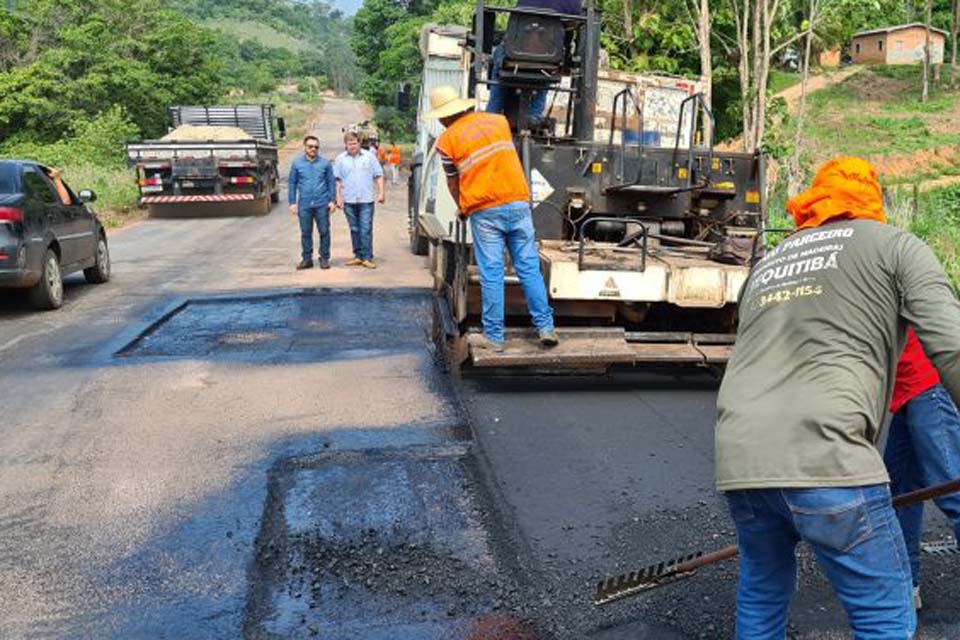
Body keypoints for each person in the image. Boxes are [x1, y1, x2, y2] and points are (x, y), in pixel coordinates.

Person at [715, 157, 960, 639]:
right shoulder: (896, 247)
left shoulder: (768, 265)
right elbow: (950, 344)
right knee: (883, 615)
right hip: (828, 456)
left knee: (762, 594)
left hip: (740, 459)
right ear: (873, 201)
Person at [425, 85, 559, 351]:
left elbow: (454, 183)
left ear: (443, 117)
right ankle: (545, 327)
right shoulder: (498, 122)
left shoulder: (447, 141)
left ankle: (495, 337)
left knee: (492, 274)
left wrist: (462, 207)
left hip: (485, 210)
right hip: (518, 203)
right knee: (529, 268)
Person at [884, 328, 960, 610]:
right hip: (905, 396)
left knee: (951, 489)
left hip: (927, 389)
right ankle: (907, 588)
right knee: (901, 497)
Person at [486, 0, 583, 118]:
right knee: (546, 74)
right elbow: (572, 27)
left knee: (498, 57)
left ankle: (492, 113)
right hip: (547, 58)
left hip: (514, 54)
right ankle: (534, 117)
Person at [334, 131, 384, 269]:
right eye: (349, 144)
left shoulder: (369, 157)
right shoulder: (340, 159)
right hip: (348, 200)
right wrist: (338, 197)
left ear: (359, 143)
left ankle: (367, 257)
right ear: (345, 145)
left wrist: (381, 193)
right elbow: (337, 180)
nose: (352, 146)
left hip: (366, 199)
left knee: (365, 228)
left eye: (355, 143)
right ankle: (358, 256)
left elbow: (378, 175)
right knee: (354, 229)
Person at [288, 135, 336, 270]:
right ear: (305, 147)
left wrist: (332, 201)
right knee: (305, 232)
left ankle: (324, 258)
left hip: (322, 203)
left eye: (316, 147)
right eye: (310, 146)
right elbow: (292, 183)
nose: (313, 149)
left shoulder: (325, 164)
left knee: (324, 231)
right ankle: (307, 259)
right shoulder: (297, 164)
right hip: (304, 204)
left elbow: (331, 183)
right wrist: (292, 202)